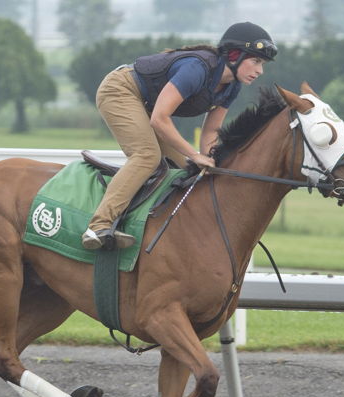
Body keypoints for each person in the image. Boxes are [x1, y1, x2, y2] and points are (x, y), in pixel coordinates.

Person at [81, 21, 278, 250]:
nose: (259, 70)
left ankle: (136, 224)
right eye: (255, 61)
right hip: (120, 90)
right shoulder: (197, 68)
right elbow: (160, 119)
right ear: (234, 55)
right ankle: (98, 226)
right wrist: (195, 154)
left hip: (146, 104)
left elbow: (211, 132)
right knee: (147, 156)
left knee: (181, 169)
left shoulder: (232, 86)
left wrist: (211, 162)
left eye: (262, 63)